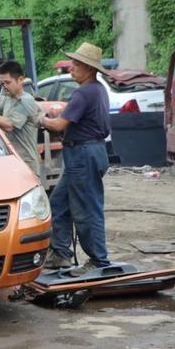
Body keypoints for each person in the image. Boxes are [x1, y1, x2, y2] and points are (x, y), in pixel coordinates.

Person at [39, 42, 111, 276]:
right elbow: (73, 122)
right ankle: (60, 253)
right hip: (87, 152)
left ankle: (98, 260)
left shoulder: (84, 92)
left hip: (83, 154)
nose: (71, 69)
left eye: (76, 65)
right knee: (59, 203)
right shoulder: (97, 90)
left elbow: (59, 124)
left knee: (86, 208)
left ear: (89, 69)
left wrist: (42, 119)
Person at [0, 60, 42, 176]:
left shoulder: (26, 100)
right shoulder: (8, 98)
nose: (4, 86)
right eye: (1, 83)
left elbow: (9, 125)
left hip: (26, 165)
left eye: (7, 82)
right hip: (14, 162)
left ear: (20, 80)